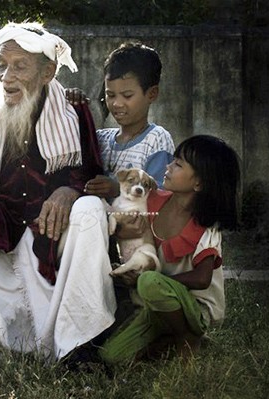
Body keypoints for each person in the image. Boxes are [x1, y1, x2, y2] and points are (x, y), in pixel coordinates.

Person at [0, 22, 117, 360]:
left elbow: (90, 173)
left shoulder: (73, 107)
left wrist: (70, 191)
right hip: (2, 227)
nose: (5, 76)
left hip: (52, 233)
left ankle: (79, 344)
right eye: (1, 64)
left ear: (48, 72)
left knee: (91, 209)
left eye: (19, 66)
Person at [98, 135, 240, 364]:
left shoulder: (205, 225)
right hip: (154, 303)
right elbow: (127, 227)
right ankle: (171, 339)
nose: (168, 166)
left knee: (150, 283)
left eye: (178, 164)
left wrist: (148, 278)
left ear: (199, 183)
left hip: (194, 307)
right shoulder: (153, 202)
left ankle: (187, 337)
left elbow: (203, 278)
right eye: (172, 160)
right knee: (112, 357)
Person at [78, 41, 175, 199]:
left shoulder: (156, 140)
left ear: (152, 94)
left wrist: (119, 190)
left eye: (127, 96)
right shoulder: (100, 139)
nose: (117, 103)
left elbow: (161, 198)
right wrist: (70, 103)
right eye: (110, 95)